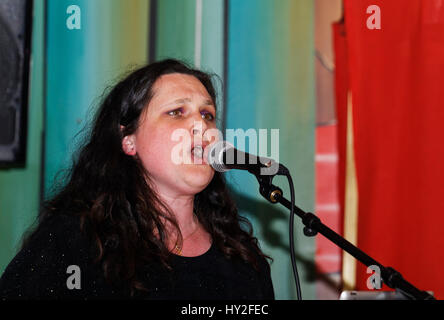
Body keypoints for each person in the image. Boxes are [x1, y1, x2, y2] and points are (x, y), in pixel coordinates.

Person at [0, 59, 274, 300]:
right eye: (177, 112)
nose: (201, 126)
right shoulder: (77, 240)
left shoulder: (242, 258)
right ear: (129, 140)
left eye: (207, 115)